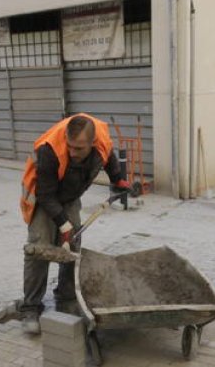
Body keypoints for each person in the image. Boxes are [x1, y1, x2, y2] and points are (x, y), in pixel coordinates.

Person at [19, 114, 131, 334]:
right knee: (39, 250)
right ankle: (30, 308)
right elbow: (45, 194)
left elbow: (108, 157)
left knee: (73, 248)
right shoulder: (49, 150)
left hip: (69, 196)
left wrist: (117, 179)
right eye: (70, 146)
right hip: (44, 198)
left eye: (79, 148)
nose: (72, 152)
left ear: (92, 143)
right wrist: (63, 225)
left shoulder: (101, 142)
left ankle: (66, 297)